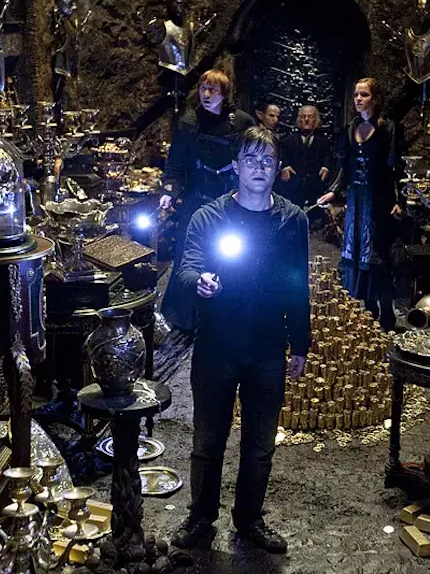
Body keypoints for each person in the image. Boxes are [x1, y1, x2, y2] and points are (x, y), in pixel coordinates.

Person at [171, 127, 310, 554]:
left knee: (260, 444)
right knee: (208, 440)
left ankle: (250, 519)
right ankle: (201, 517)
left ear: (278, 167)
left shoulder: (292, 220)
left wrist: (300, 343)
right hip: (217, 344)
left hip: (267, 346)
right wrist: (200, 281)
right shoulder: (209, 217)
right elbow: (186, 266)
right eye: (250, 159)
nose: (259, 168)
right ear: (235, 165)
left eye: (267, 160)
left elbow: (298, 284)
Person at [160, 69, 256, 330]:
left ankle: (232, 316)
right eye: (203, 88)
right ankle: (184, 319)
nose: (206, 94)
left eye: (212, 89)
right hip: (196, 201)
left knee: (233, 256)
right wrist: (169, 190)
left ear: (224, 94)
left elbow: (252, 159)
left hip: (230, 203)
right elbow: (176, 162)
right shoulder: (188, 122)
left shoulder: (243, 123)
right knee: (188, 256)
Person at [318, 78, 404, 331]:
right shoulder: (349, 129)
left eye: (364, 95)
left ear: (374, 99)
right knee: (358, 255)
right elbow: (344, 168)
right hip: (357, 201)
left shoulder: (389, 129)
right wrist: (333, 191)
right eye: (356, 94)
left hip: (380, 201)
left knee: (379, 257)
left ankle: (386, 314)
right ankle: (368, 311)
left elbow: (397, 169)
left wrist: (400, 201)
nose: (358, 98)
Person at [275, 105, 333, 212]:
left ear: (315, 120)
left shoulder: (324, 142)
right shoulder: (288, 141)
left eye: (310, 117)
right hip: (294, 189)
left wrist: (326, 167)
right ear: (299, 120)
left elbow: (329, 157)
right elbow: (281, 155)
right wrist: (285, 167)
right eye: (303, 116)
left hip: (315, 189)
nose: (306, 119)